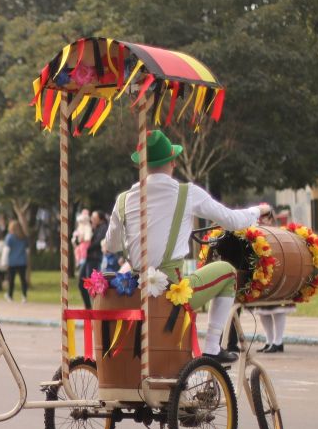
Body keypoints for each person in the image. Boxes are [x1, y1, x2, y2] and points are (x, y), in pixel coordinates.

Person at [104, 130, 268, 363]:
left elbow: (110, 245)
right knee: (227, 272)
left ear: (141, 165)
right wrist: (258, 211)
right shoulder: (187, 193)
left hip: (133, 290)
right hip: (172, 292)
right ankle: (211, 346)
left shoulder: (124, 199)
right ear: (173, 162)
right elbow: (233, 221)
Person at [256, 206, 292, 353]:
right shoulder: (258, 234)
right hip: (263, 276)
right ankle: (269, 341)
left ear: (271, 219)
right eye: (261, 217)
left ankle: (278, 341)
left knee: (278, 309)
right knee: (263, 310)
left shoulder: (280, 233)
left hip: (278, 275)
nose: (262, 220)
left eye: (265, 217)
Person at [78, 210, 107, 309]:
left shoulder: (103, 228)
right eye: (92, 218)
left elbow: (98, 242)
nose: (92, 219)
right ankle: (88, 306)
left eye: (95, 218)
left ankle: (95, 306)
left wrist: (86, 247)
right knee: (81, 282)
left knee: (90, 284)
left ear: (101, 219)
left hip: (94, 258)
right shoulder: (93, 227)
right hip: (88, 258)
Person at [4, 220, 29, 302]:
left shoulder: (9, 237)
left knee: (11, 280)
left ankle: (10, 296)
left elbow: (6, 250)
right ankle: (24, 297)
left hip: (12, 262)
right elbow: (27, 251)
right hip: (22, 261)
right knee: (23, 280)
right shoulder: (24, 237)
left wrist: (4, 262)